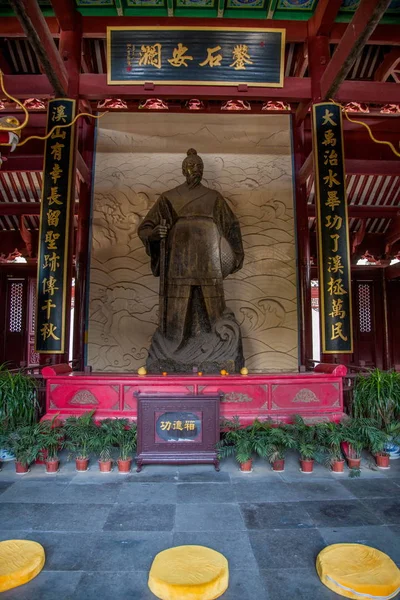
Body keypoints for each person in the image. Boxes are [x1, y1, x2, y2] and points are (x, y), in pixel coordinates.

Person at [138, 148, 244, 372]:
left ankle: (218, 345)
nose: (196, 170)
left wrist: (233, 255)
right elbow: (145, 228)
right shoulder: (169, 197)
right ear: (184, 170)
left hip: (209, 257)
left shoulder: (214, 197)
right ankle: (171, 347)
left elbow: (232, 226)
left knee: (213, 304)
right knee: (178, 304)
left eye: (199, 167)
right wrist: (156, 233)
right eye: (192, 166)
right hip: (180, 256)